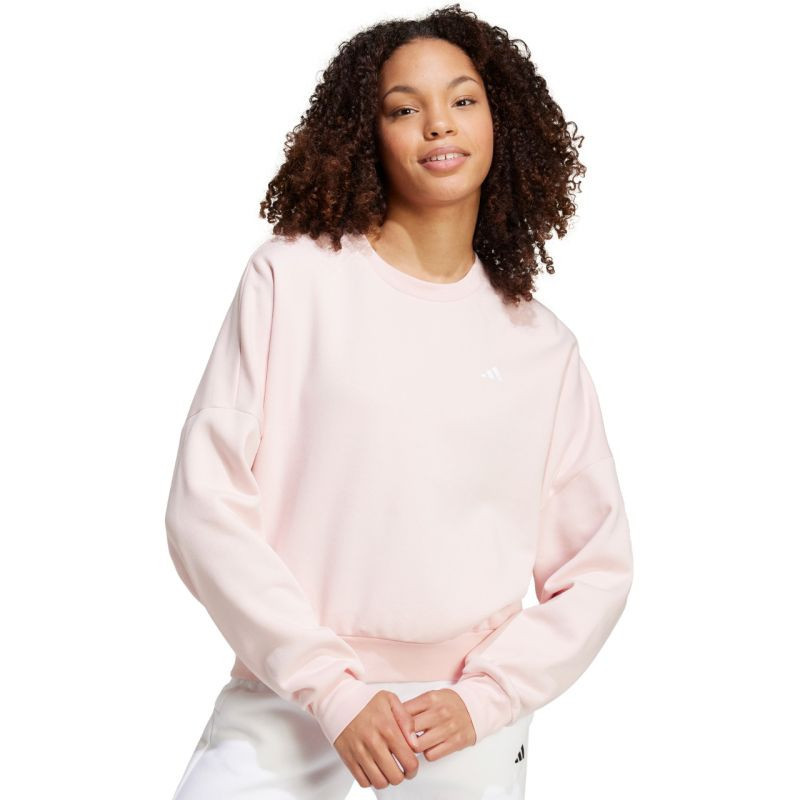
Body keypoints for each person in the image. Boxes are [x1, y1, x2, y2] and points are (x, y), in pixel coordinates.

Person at [164, 5, 634, 799]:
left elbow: (596, 568)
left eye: (463, 99)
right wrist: (330, 686)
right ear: (367, 133)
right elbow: (202, 507)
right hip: (293, 696)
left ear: (501, 120)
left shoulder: (541, 347)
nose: (438, 124)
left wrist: (485, 699)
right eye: (403, 108)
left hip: (458, 718)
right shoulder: (292, 281)